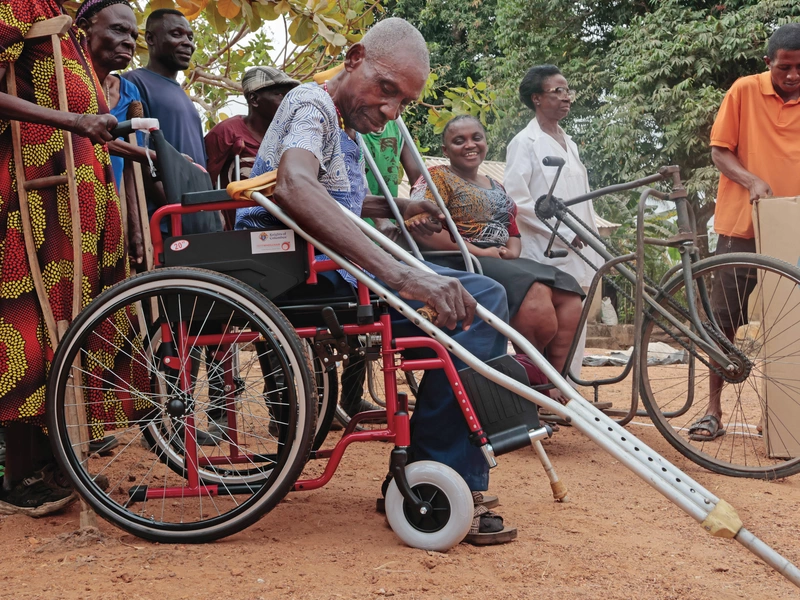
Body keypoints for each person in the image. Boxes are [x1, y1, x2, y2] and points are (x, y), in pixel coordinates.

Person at [236, 18, 516, 545]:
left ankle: (441, 467)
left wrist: (398, 205)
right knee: (478, 303)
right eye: (386, 89)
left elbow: (324, 192)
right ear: (355, 58)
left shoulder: (339, 122)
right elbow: (295, 185)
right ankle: (439, 474)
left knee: (479, 297)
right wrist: (402, 276)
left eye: (403, 103)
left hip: (318, 266)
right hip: (294, 272)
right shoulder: (308, 105)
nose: (390, 111)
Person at [0, 0, 128, 515]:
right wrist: (73, 119)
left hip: (78, 208)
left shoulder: (65, 21)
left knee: (74, 329)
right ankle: (19, 476)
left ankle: (57, 462)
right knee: (32, 333)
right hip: (38, 202)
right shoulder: (19, 4)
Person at [412, 115, 584, 402]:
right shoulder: (436, 177)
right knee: (536, 290)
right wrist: (477, 250)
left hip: (498, 259)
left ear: (486, 143)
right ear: (446, 150)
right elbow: (423, 232)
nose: (470, 145)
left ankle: (552, 381)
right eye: (459, 140)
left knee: (569, 291)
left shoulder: (496, 185)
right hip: (457, 259)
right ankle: (533, 379)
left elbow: (512, 230)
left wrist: (513, 249)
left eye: (476, 138)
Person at [689, 23, 800, 441]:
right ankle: (713, 409)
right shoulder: (743, 91)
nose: (792, 76)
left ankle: (786, 417)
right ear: (768, 62)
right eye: (784, 68)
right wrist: (751, 180)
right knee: (725, 318)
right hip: (743, 225)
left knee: (793, 323)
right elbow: (720, 151)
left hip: (794, 227)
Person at [504, 64, 603, 380]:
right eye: (556, 91)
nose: (566, 98)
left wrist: (587, 233)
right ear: (536, 99)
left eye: (567, 91)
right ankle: (541, 387)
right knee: (546, 323)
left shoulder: (570, 143)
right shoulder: (524, 143)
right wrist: (564, 231)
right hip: (543, 250)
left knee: (577, 318)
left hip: (580, 246)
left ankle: (569, 388)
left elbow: (579, 196)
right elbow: (518, 201)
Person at [123, 8, 221, 233]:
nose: (188, 43)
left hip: (196, 217)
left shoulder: (181, 94)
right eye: (177, 34)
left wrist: (211, 213)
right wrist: (176, 210)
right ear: (150, 39)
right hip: (168, 222)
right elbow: (139, 155)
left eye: (190, 37)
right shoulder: (134, 82)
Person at [77, 0, 148, 269]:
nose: (129, 42)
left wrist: (136, 228)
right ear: (84, 29)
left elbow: (132, 169)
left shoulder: (130, 93)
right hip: (70, 200)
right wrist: (149, 155)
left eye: (133, 36)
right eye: (119, 30)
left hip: (111, 208)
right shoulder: (65, 81)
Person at [205, 66, 299, 229]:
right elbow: (203, 181)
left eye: (290, 95)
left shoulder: (290, 137)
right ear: (254, 99)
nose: (288, 101)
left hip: (282, 232)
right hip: (237, 234)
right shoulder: (227, 132)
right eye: (280, 94)